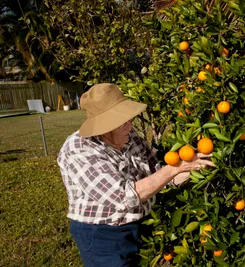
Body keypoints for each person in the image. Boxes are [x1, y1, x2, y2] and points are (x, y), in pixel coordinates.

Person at [57, 83, 214, 267]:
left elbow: (158, 176)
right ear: (106, 126)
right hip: (102, 235)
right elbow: (123, 197)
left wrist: (191, 167)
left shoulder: (129, 138)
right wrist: (173, 169)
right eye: (124, 121)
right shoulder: (80, 149)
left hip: (140, 226)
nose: (130, 125)